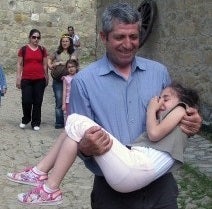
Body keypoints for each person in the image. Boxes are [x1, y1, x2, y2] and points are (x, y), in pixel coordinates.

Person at [8, 3, 202, 208]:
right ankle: (44, 178)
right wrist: (86, 148)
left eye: (133, 37)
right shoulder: (84, 81)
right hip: (112, 191)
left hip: (160, 189)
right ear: (103, 37)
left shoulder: (159, 73)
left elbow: (172, 122)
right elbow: (77, 143)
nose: (128, 44)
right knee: (74, 126)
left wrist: (191, 123)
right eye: (120, 37)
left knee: (74, 123)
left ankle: (44, 179)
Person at [6, 82, 200, 205]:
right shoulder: (171, 116)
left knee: (76, 120)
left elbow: (154, 133)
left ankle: (49, 187)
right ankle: (41, 175)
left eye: (165, 98)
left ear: (183, 102)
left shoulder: (182, 110)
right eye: (159, 99)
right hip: (132, 171)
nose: (160, 102)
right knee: (72, 129)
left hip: (136, 169)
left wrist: (151, 109)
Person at [16, 29, 48, 131]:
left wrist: (46, 76)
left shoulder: (42, 50)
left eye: (38, 37)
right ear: (30, 37)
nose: (36, 39)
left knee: (38, 102)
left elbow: (44, 64)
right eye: (34, 37)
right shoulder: (23, 49)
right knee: (26, 101)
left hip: (39, 79)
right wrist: (18, 77)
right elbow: (20, 64)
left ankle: (35, 122)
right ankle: (26, 119)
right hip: (26, 79)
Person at [48, 34, 76, 129]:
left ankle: (72, 121)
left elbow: (72, 61)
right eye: (63, 41)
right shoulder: (57, 52)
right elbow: (49, 59)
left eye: (66, 41)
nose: (64, 43)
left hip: (71, 80)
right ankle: (59, 122)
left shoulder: (73, 52)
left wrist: (58, 63)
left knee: (72, 100)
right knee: (59, 100)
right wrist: (50, 65)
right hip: (58, 80)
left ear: (70, 42)